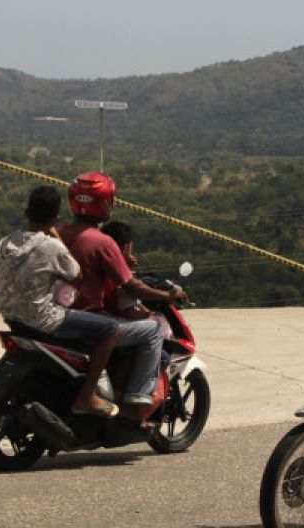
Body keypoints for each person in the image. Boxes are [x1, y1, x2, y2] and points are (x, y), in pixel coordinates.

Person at [57, 172, 188, 423]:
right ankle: (135, 403)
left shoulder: (57, 234)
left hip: (56, 317)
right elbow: (131, 287)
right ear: (107, 202)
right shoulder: (103, 242)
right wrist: (168, 295)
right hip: (89, 322)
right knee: (152, 331)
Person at [0, 185, 120, 418]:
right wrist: (57, 239)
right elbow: (76, 275)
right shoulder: (52, 247)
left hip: (13, 320)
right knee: (110, 330)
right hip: (45, 320)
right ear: (56, 218)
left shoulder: (3, 244)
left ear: (26, 213)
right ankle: (87, 396)